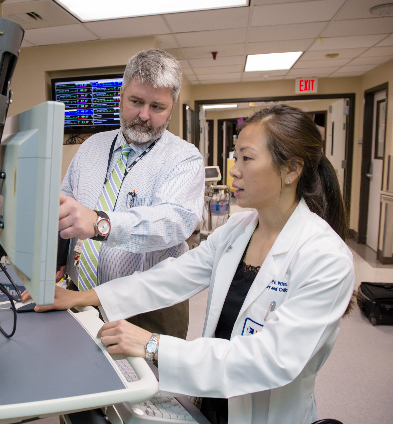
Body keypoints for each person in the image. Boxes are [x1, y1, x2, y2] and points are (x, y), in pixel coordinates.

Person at [33, 105, 355, 424]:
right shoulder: (237, 230)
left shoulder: (325, 258)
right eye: (236, 156)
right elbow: (171, 277)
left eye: (247, 158)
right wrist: (82, 297)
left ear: (291, 170)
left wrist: (153, 344)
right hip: (212, 405)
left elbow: (269, 360)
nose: (235, 170)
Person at [55, 49, 205, 339]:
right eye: (136, 102)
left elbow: (173, 222)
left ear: (171, 107)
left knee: (148, 383)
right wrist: (56, 258)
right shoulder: (91, 148)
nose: (144, 115)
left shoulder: (184, 158)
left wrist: (101, 223)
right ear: (121, 95)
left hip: (149, 309)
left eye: (157, 107)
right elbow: (65, 205)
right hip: (79, 295)